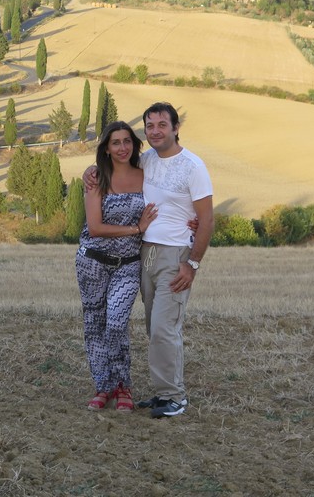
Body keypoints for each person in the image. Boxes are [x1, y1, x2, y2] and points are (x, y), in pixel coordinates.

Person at [85, 102, 213, 419]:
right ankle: (162, 393)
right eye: (150, 125)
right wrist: (91, 170)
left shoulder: (193, 166)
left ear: (175, 128)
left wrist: (192, 263)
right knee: (153, 328)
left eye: (162, 125)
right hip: (146, 252)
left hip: (175, 254)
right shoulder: (147, 160)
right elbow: (115, 164)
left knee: (164, 328)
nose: (155, 131)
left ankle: (174, 397)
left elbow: (207, 219)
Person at [76, 121, 157, 412]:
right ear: (106, 149)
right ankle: (104, 387)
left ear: (134, 145)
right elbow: (95, 228)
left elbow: (169, 202)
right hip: (92, 262)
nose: (122, 147)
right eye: (115, 143)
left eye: (127, 141)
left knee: (116, 323)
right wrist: (136, 229)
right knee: (94, 325)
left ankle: (123, 385)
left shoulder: (146, 176)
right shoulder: (97, 178)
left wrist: (191, 222)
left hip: (128, 265)